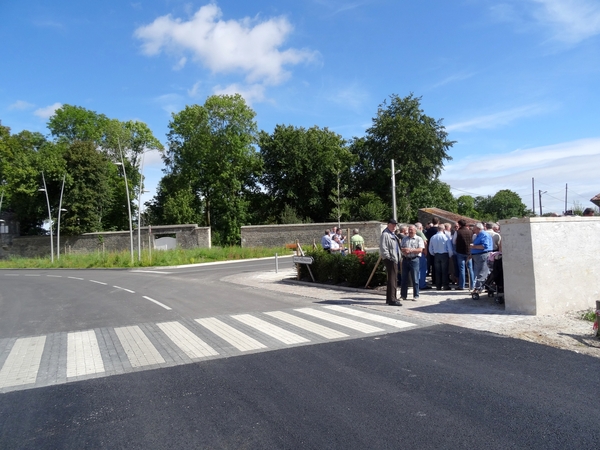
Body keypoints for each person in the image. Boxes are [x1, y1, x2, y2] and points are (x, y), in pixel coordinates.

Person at [379, 219, 402, 306]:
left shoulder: (392, 234)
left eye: (395, 225)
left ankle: (390, 298)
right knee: (393, 279)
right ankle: (392, 299)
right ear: (388, 224)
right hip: (391, 259)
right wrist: (389, 257)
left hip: (394, 259)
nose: (394, 226)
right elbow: (383, 247)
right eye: (392, 224)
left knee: (392, 279)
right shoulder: (385, 234)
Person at [400, 225, 425, 301]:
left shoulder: (419, 239)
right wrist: (405, 250)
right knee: (404, 278)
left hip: (414, 260)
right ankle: (403, 295)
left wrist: (410, 250)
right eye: (409, 229)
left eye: (411, 230)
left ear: (415, 230)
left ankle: (416, 295)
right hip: (405, 259)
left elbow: (420, 250)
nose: (410, 231)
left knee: (415, 278)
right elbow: (401, 248)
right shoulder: (404, 239)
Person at [470, 223, 493, 296]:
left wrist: (474, 246)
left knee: (482, 273)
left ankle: (478, 288)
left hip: (483, 255)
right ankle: (480, 287)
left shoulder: (484, 235)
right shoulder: (479, 235)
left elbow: (484, 246)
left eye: (475, 229)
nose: (473, 230)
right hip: (478, 256)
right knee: (480, 272)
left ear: (479, 229)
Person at [429, 225, 453, 290]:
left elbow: (430, 248)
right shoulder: (445, 237)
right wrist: (450, 255)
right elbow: (450, 248)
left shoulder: (433, 237)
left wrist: (433, 254)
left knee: (437, 271)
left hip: (436, 255)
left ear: (437, 229)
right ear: (443, 229)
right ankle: (445, 285)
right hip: (444, 254)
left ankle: (438, 286)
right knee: (444, 271)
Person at [453, 219, 474, 291]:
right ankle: (472, 285)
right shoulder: (471, 232)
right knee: (470, 268)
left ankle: (461, 285)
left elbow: (454, 242)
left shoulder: (458, 232)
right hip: (468, 252)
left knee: (461, 269)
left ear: (459, 225)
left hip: (460, 251)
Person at [414, 222, 430, 290]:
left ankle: (417, 284)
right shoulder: (420, 232)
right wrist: (425, 251)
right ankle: (422, 284)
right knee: (423, 269)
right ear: (420, 228)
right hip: (421, 252)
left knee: (417, 270)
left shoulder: (412, 232)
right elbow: (425, 242)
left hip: (415, 253)